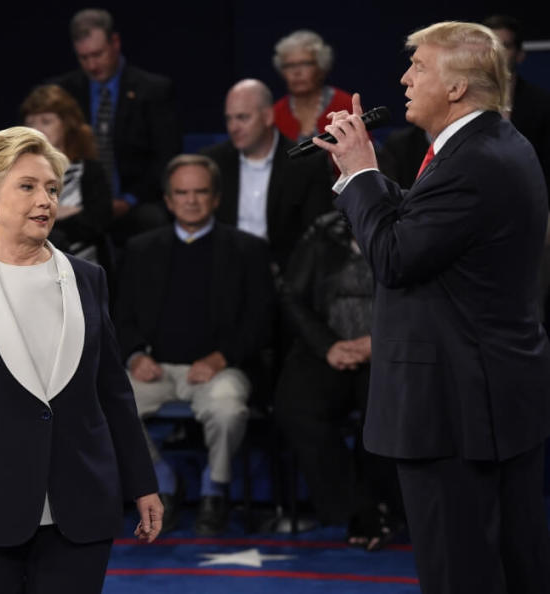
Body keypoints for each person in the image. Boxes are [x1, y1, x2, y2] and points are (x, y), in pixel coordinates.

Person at [315, 21, 550, 593]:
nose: (404, 77)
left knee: (460, 572)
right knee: (510, 565)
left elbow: (395, 258)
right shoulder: (491, 145)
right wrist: (363, 176)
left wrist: (362, 175)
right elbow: (435, 227)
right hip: (486, 398)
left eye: (418, 66)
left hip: (454, 409)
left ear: (455, 88)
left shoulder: (473, 163)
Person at [0, 127, 162, 593]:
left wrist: (142, 483)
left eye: (52, 188)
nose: (45, 200)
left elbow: (113, 393)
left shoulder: (89, 278)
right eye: (28, 186)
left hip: (80, 509)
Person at [114, 154, 275, 536]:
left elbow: (262, 322)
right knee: (109, 405)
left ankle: (213, 490)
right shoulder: (140, 250)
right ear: (168, 200)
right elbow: (119, 317)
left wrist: (221, 358)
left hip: (221, 367)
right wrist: (135, 355)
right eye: (181, 193)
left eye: (200, 192)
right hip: (155, 367)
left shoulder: (248, 250)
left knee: (227, 409)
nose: (191, 200)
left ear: (216, 198)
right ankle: (165, 483)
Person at [274, 211, 402, 551]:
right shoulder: (321, 232)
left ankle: (382, 506)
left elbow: (428, 297)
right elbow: (291, 294)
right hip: (327, 347)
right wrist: (327, 344)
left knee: (382, 411)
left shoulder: (413, 228)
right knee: (295, 406)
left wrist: (381, 342)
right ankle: (359, 506)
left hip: (391, 351)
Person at [49, 8, 181, 245]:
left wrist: (129, 199)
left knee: (153, 221)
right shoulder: (64, 93)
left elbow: (166, 157)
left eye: (98, 54)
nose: (92, 65)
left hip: (136, 202)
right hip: (79, 203)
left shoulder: (153, 90)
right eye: (84, 57)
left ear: (115, 43)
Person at [201, 79, 333, 272]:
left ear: (268, 116)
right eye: (229, 119)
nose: (233, 127)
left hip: (286, 274)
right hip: (225, 269)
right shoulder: (212, 161)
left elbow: (317, 234)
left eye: (242, 117)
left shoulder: (306, 163)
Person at [21, 84, 114, 266]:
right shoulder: (17, 173)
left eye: (46, 121)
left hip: (84, 264)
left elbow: (97, 223)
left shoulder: (89, 171)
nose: (37, 129)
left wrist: (44, 217)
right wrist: (60, 213)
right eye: (31, 122)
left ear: (66, 125)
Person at [483, 14, 550, 195]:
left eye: (505, 45)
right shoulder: (463, 100)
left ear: (520, 55)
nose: (496, 51)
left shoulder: (541, 104)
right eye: (490, 44)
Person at [272, 30, 353, 144]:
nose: (296, 72)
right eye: (289, 65)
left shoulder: (344, 104)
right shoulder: (275, 114)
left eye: (305, 63)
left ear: (321, 68)